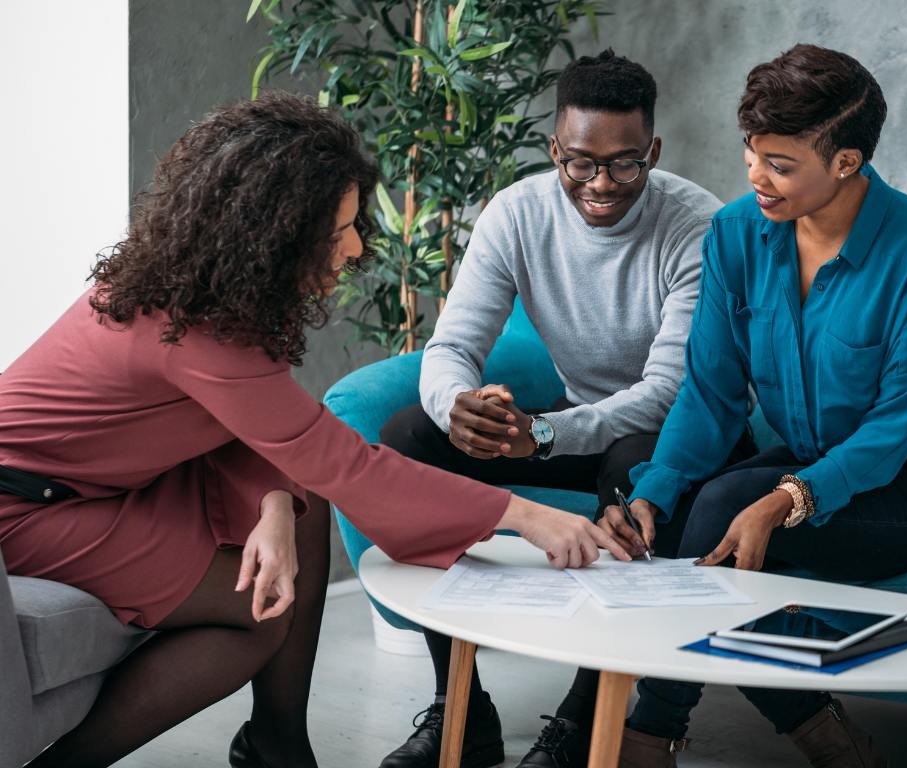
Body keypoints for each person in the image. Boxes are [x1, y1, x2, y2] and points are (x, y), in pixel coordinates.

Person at [0, 91, 629, 768]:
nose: (356, 248)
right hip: (27, 509)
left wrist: (273, 504)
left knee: (301, 504)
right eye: (338, 233)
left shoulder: (205, 294)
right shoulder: (191, 331)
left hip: (103, 485)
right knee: (259, 613)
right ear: (273, 236)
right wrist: (523, 515)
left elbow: (258, 430)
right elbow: (345, 463)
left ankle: (278, 743)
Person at [602, 44, 907, 767]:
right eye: (752, 153)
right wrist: (654, 492)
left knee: (726, 508)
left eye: (780, 164)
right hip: (816, 461)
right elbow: (712, 391)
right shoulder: (735, 232)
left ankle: (650, 732)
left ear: (846, 162)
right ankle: (826, 737)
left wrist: (790, 496)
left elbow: (893, 427)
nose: (756, 175)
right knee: (651, 487)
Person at [376, 51, 754, 768]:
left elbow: (670, 389)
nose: (601, 184)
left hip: (683, 439)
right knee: (404, 440)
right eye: (580, 163)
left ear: (654, 151)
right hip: (575, 423)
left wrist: (545, 434)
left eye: (624, 163)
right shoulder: (517, 213)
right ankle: (462, 707)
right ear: (555, 148)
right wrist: (460, 406)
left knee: (634, 460)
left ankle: (585, 718)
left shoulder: (698, 224)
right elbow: (452, 344)